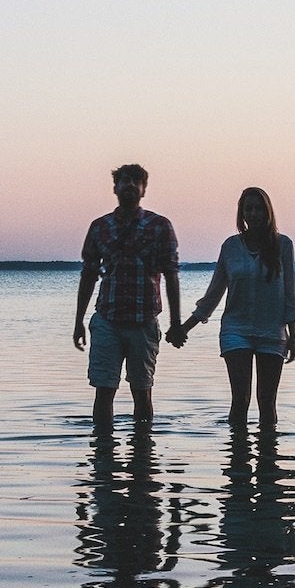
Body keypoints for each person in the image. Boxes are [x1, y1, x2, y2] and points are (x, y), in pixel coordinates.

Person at [171, 187, 295, 428]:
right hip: (236, 331)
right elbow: (213, 294)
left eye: (258, 208)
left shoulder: (283, 245)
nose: (254, 213)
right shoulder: (231, 246)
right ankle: (237, 449)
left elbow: (289, 294)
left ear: (268, 212)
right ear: (242, 213)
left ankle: (268, 449)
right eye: (248, 208)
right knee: (240, 399)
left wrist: (292, 336)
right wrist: (184, 328)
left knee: (267, 401)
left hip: (272, 332)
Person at [75, 164, 181, 426]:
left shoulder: (159, 226)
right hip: (107, 320)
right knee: (104, 390)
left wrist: (176, 323)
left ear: (144, 189)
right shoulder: (100, 227)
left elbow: (171, 275)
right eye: (124, 180)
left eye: (136, 181)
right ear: (115, 188)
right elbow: (88, 275)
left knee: (142, 391)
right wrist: (78, 321)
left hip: (143, 321)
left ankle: (143, 446)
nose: (130, 185)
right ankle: (103, 447)